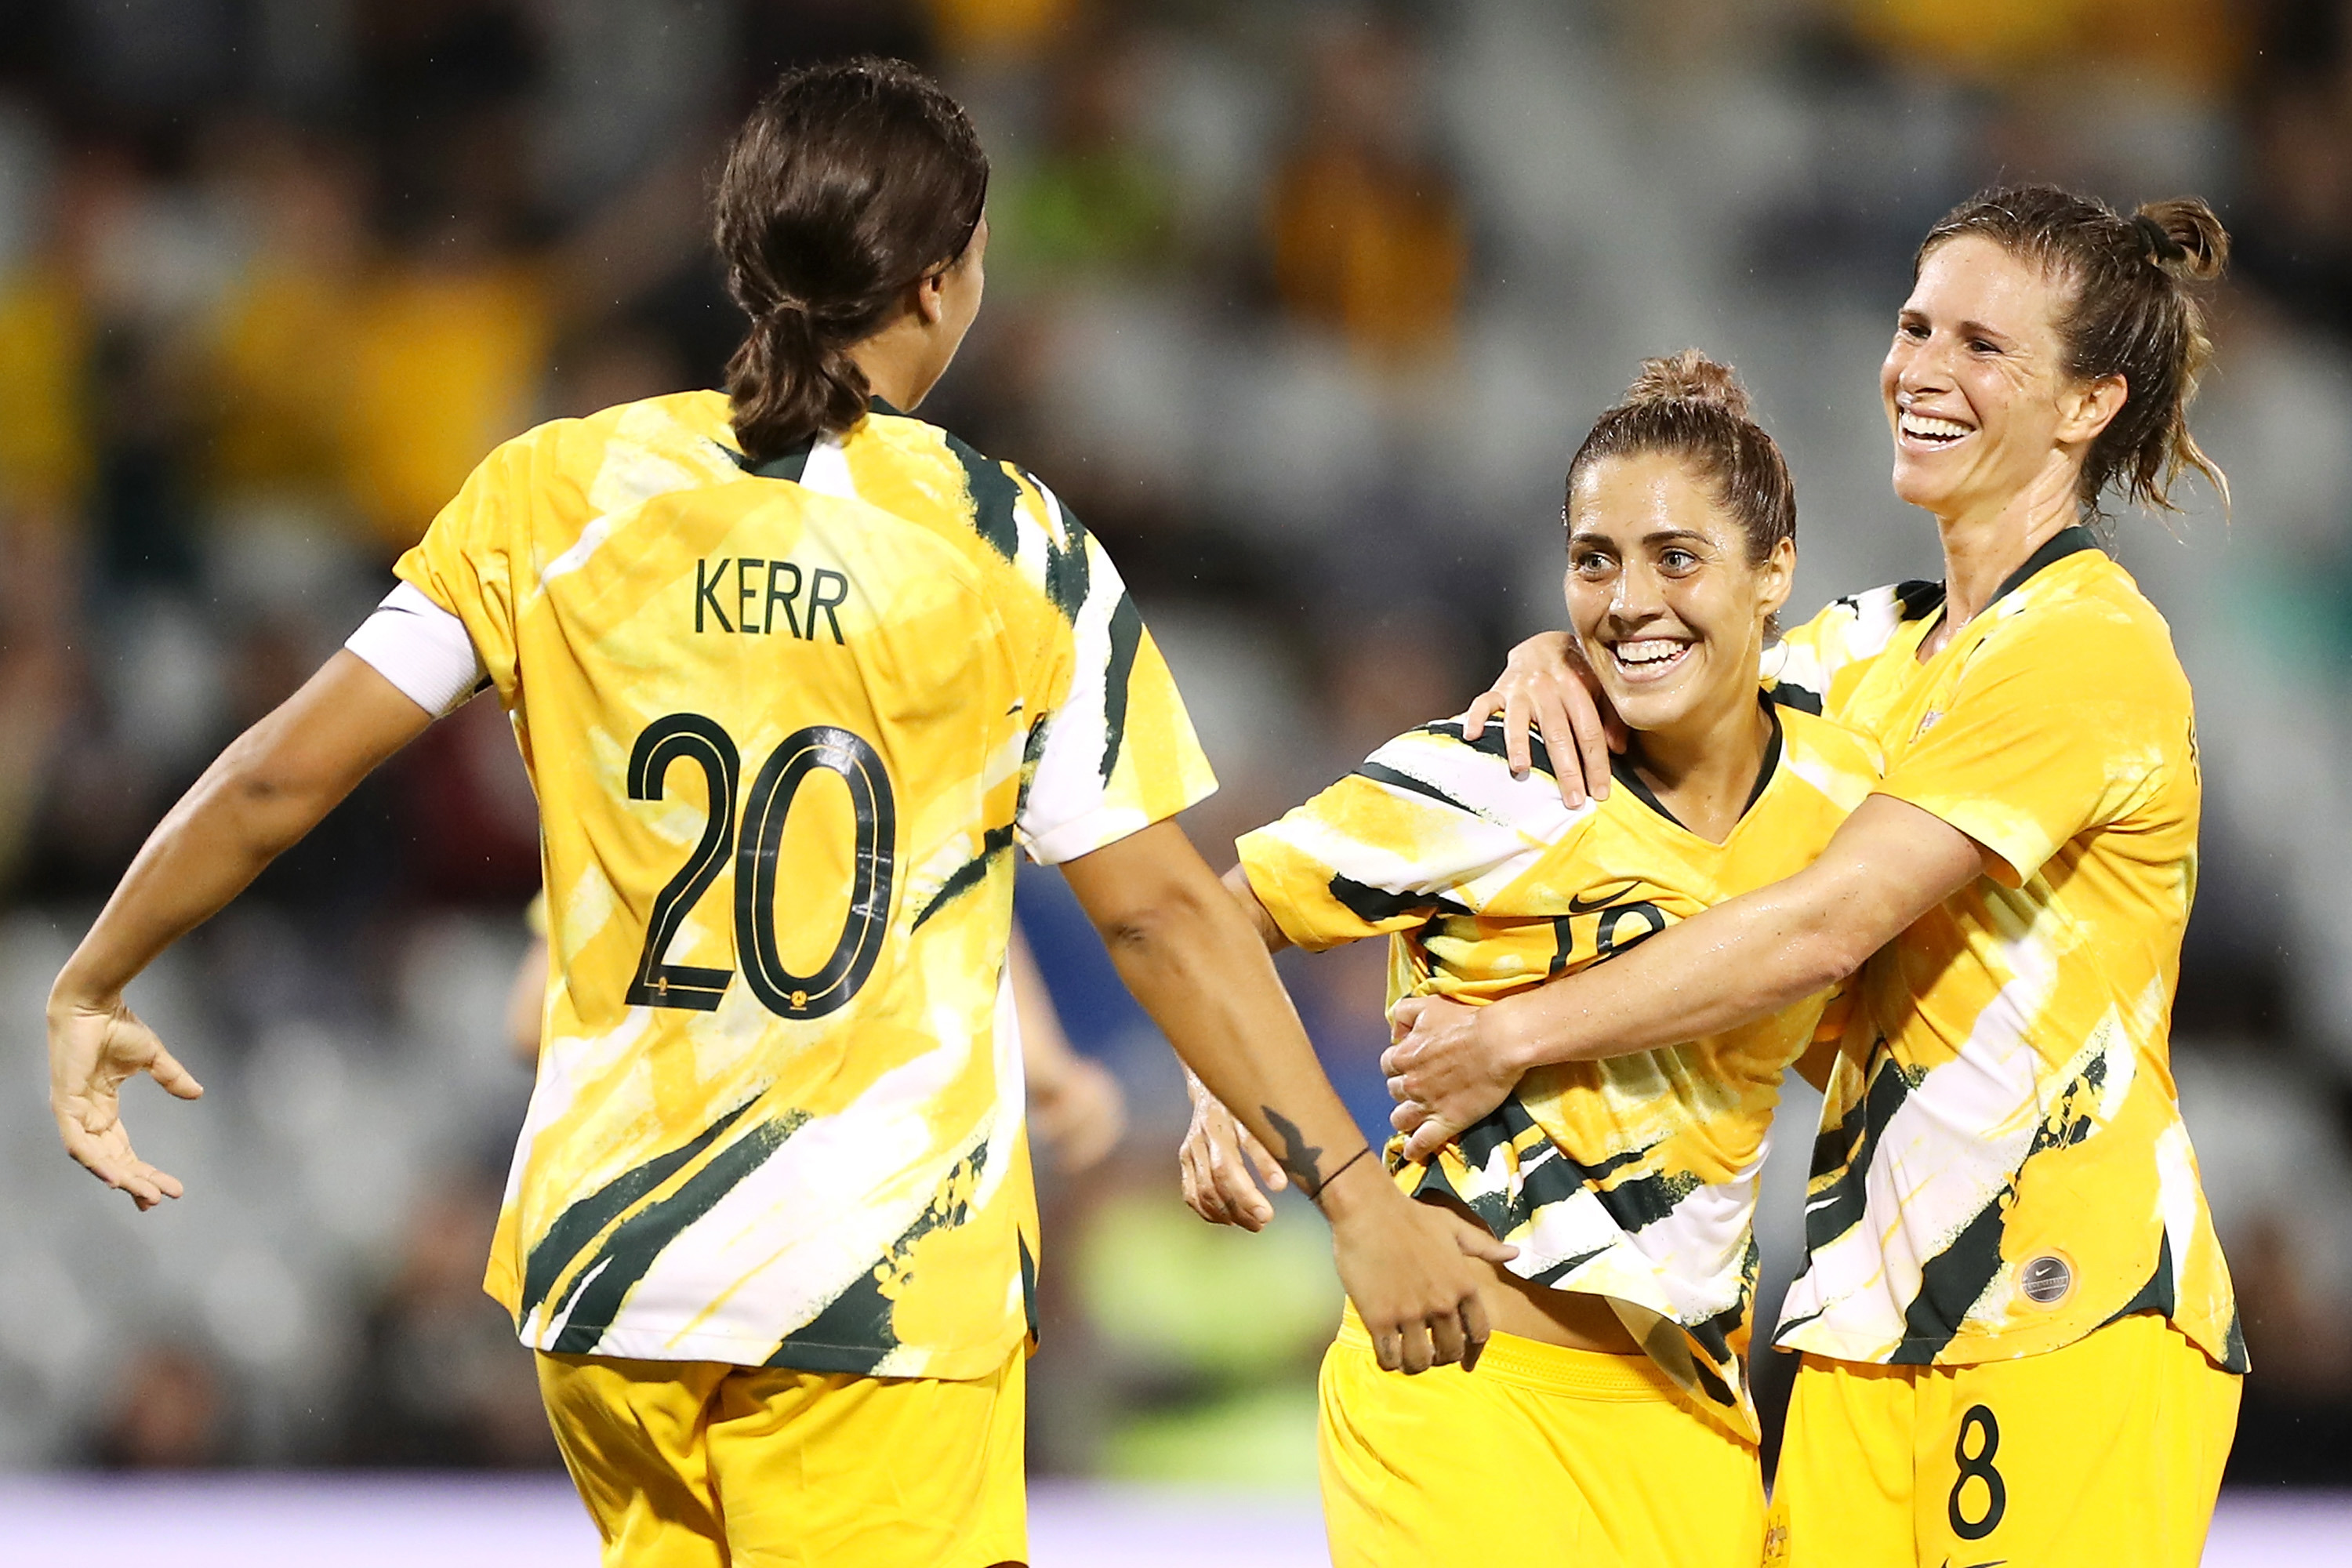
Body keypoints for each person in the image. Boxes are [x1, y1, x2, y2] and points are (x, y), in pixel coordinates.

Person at [43, 58, 1499, 1568]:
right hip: (868, 1287)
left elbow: (279, 774)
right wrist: (1356, 1196)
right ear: (940, 283)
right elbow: (1156, 909)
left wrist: (95, 978)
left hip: (609, 1282)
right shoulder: (1011, 549)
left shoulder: (559, 493)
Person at [1390, 186, 2242, 1566]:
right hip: (1864, 1327)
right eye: (1916, 327)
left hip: (2063, 1309)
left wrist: (1511, 1038)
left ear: (2089, 404)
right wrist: (1558, 651)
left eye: (1983, 345)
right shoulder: (1863, 648)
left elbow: (1827, 921)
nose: (1922, 370)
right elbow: (1653, 660)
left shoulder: (2089, 648)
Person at [1183, 353, 1885, 1568]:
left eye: (1677, 557)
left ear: (1777, 571)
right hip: (1461, 1384)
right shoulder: (1496, 774)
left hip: (1692, 1420)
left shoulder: (1847, 795)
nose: (1625, 601)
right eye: (1594, 559)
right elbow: (1215, 923)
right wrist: (1219, 1088)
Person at [508, 899, 1129, 1172]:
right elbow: (961, 900)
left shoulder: (645, 794)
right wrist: (1052, 1070)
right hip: (845, 1213)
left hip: (638, 1215)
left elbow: (531, 1018)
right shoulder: (898, 758)